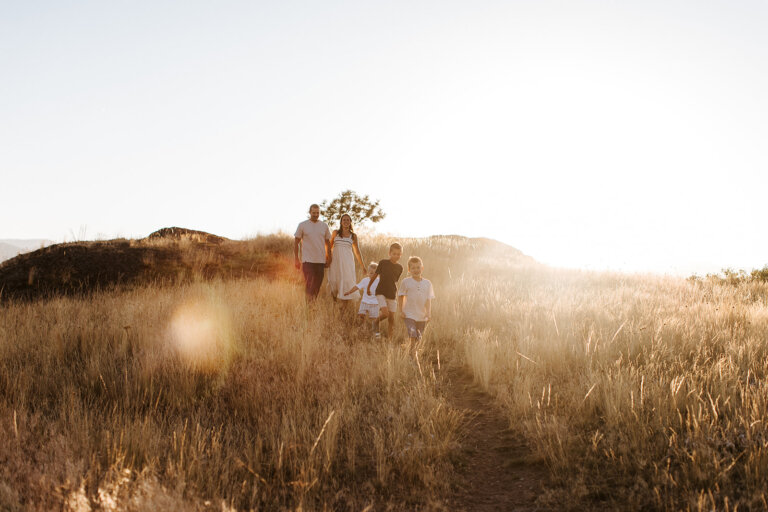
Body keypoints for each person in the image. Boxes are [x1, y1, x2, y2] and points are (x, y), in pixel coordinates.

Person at [294, 204, 331, 300]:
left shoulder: (324, 226)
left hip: (320, 261)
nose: (315, 215)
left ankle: (312, 305)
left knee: (317, 286)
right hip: (307, 261)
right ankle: (308, 307)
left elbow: (328, 243)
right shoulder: (302, 225)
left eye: (317, 213)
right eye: (314, 213)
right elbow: (296, 243)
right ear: (310, 212)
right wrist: (296, 259)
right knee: (309, 285)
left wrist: (329, 258)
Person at [367, 242, 403, 337]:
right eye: (394, 253)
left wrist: (397, 294)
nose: (396, 256)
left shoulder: (400, 268)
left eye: (398, 254)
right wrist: (368, 287)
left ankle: (390, 339)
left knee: (391, 318)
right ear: (389, 253)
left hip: (392, 294)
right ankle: (375, 322)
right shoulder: (383, 262)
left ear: (401, 255)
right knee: (385, 313)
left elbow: (395, 281)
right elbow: (375, 276)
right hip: (381, 292)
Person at [328, 213, 365, 304]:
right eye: (344, 220)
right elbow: (329, 246)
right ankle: (334, 301)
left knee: (347, 281)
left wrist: (362, 266)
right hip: (335, 260)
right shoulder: (335, 233)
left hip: (347, 262)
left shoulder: (353, 236)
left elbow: (357, 252)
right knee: (333, 280)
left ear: (350, 222)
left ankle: (344, 305)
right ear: (341, 222)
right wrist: (327, 259)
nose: (346, 221)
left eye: (348, 220)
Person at [397, 256, 435, 341]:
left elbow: (428, 300)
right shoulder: (406, 282)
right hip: (409, 314)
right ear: (409, 270)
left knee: (419, 336)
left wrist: (428, 313)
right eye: (413, 268)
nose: (416, 270)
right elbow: (400, 296)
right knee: (412, 333)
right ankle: (412, 353)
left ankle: (414, 351)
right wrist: (401, 311)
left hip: (421, 315)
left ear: (422, 268)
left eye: (418, 267)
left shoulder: (427, 283)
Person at [345, 262, 380, 332]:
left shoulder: (379, 281)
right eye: (370, 273)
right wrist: (349, 292)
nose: (372, 275)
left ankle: (375, 332)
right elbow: (357, 287)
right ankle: (362, 328)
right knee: (361, 315)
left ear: (377, 274)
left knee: (374, 319)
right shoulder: (365, 280)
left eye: (374, 273)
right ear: (368, 273)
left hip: (375, 303)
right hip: (365, 301)